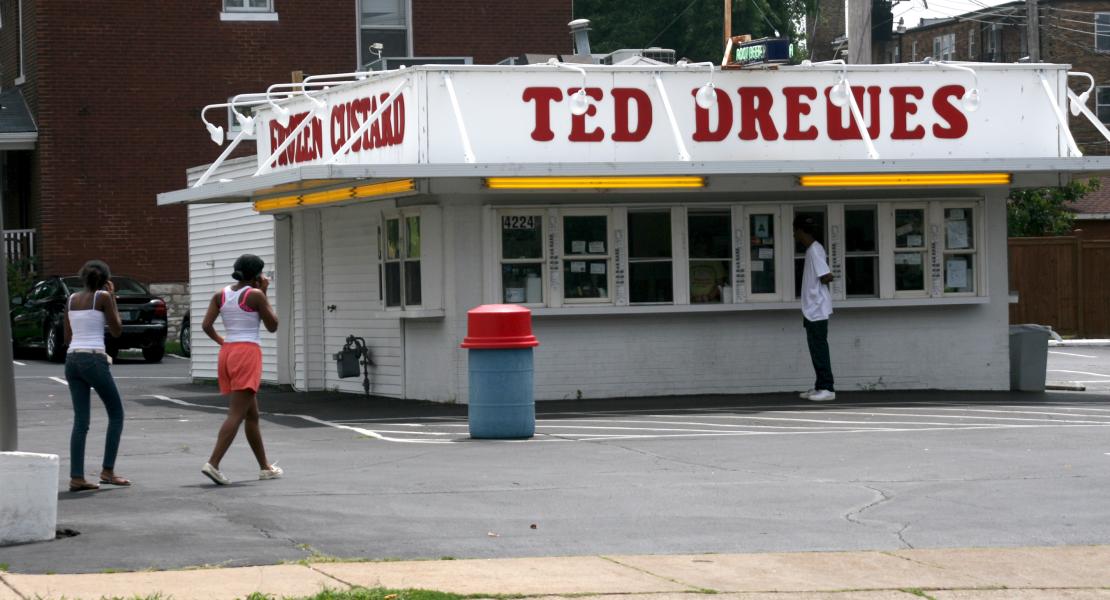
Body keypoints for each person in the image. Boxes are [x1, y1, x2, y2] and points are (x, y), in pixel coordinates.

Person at [200, 254, 282, 485]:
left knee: (251, 415)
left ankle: (265, 467)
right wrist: (264, 292)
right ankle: (213, 463)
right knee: (236, 414)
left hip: (227, 352)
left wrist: (222, 341)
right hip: (247, 353)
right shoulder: (254, 294)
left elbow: (206, 325)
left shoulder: (221, 294)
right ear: (257, 275)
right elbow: (273, 325)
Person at [64, 260, 129, 492]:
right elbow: (117, 330)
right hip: (93, 358)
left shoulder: (71, 299)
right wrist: (112, 299)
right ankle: (108, 471)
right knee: (116, 413)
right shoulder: (102, 297)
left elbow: (67, 337)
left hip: (72, 359)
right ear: (105, 280)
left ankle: (77, 477)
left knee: (81, 421)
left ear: (83, 278)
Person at [793, 216, 836, 402]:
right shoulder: (813, 250)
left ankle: (827, 388)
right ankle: (820, 385)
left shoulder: (815, 250)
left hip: (817, 308)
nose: (795, 235)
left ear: (802, 231)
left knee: (819, 348)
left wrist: (816, 290)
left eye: (795, 232)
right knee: (815, 348)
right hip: (812, 308)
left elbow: (827, 276)